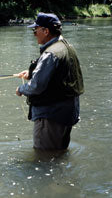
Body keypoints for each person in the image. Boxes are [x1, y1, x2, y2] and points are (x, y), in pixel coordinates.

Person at [15, 12, 84, 150]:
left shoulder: (50, 53)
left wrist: (21, 89)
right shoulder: (66, 46)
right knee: (59, 154)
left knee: (44, 158)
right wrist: (32, 73)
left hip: (51, 116)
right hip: (67, 113)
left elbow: (37, 86)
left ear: (46, 31)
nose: (34, 34)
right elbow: (61, 74)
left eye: (36, 30)